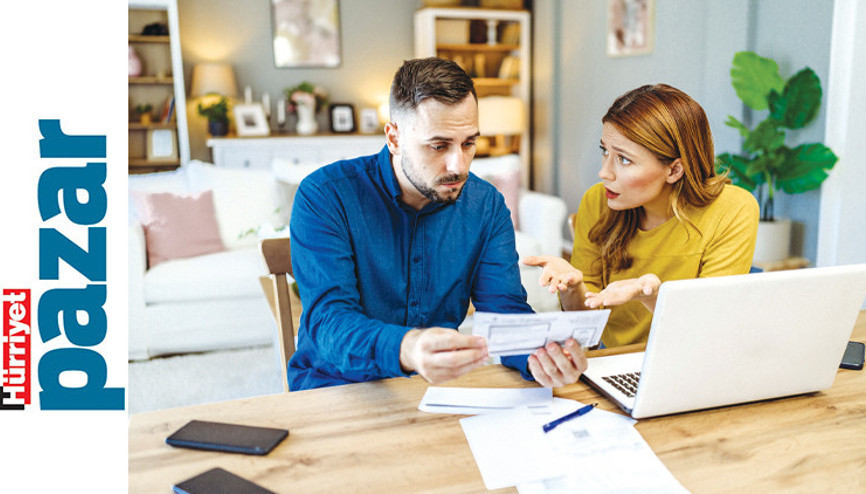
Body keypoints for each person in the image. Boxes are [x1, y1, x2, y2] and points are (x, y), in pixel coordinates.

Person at [288, 57, 587, 391]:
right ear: (394, 138)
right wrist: (408, 348)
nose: (458, 165)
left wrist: (542, 354)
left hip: (432, 389)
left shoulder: (486, 206)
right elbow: (330, 321)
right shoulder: (326, 196)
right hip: (334, 385)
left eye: (469, 143)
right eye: (438, 145)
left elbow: (504, 311)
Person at [525, 84, 759, 348]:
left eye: (624, 159)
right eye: (605, 151)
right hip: (614, 362)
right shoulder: (598, 201)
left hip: (693, 358)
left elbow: (707, 326)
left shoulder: (733, 209)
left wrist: (651, 295)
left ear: (674, 170)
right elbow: (584, 325)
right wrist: (572, 288)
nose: (605, 172)